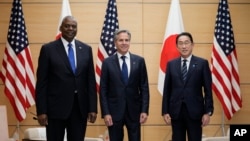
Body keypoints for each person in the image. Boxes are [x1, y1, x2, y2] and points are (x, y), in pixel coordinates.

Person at [35, 15, 97, 141]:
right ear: (61, 28)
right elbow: (42, 82)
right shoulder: (48, 49)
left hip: (79, 109)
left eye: (73, 26)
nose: (70, 28)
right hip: (55, 109)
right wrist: (41, 110)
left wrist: (93, 108)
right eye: (67, 26)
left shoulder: (86, 49)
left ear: (77, 29)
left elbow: (90, 81)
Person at [161, 32, 214, 141]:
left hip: (195, 112)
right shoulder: (171, 64)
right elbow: (167, 90)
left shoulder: (202, 63)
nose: (184, 46)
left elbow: (208, 91)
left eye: (186, 43)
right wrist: (165, 111)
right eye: (180, 43)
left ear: (192, 45)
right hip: (176, 112)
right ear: (177, 46)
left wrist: (207, 112)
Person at [99, 29, 150, 141]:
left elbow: (144, 88)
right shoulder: (107, 63)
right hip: (114, 113)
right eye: (121, 40)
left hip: (134, 112)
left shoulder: (139, 61)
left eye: (127, 40)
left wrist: (144, 110)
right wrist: (106, 113)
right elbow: (103, 90)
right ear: (115, 42)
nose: (124, 43)